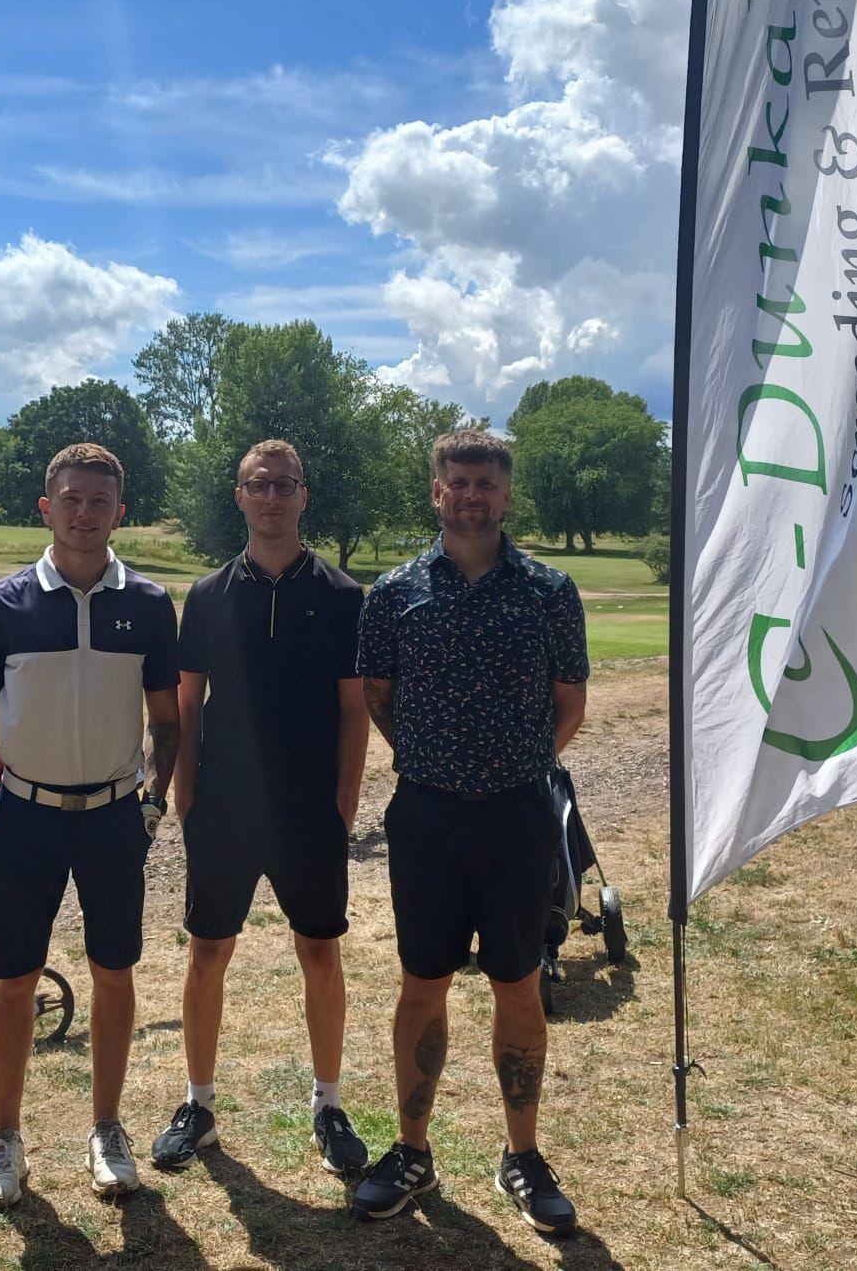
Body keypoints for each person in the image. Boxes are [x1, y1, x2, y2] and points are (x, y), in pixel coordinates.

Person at [351, 429, 589, 1236]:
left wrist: (515, 763)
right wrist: (435, 760)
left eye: (486, 483)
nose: (472, 495)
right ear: (436, 492)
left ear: (506, 493)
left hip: (519, 814)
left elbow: (569, 703)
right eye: (458, 481)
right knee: (423, 982)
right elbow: (378, 694)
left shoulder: (549, 591)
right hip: (427, 815)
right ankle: (411, 1152)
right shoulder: (393, 593)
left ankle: (523, 1155)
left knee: (517, 984)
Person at [0, 442, 179, 1208]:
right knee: (14, 980)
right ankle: (4, 1139)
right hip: (24, 816)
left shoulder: (149, 602)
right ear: (46, 508)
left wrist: (153, 802)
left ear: (121, 513)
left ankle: (107, 1130)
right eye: (72, 500)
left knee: (114, 973)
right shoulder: (4, 602)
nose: (85, 514)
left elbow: (167, 719)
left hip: (114, 817)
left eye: (100, 501)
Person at [149, 440, 371, 1176]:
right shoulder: (209, 594)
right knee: (208, 952)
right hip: (224, 805)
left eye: (284, 485)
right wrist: (185, 795)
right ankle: (199, 1104)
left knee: (319, 952)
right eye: (258, 485)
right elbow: (187, 703)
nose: (272, 497)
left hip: (309, 807)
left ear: (304, 496)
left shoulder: (342, 595)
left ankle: (329, 1104)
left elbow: (354, 711)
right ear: (239, 496)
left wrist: (343, 803)